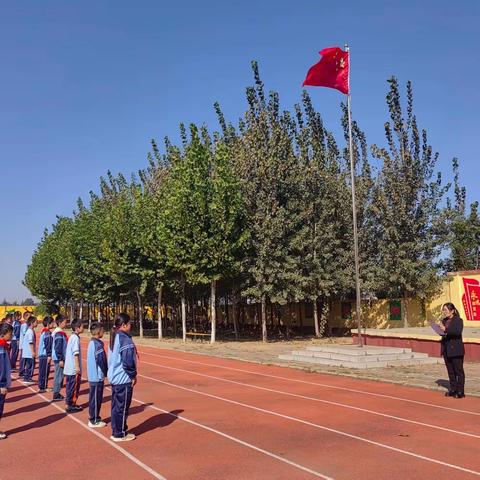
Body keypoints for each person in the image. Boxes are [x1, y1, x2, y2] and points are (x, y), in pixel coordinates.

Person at [107, 313, 137, 442]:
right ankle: (119, 433)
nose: (131, 325)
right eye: (129, 323)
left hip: (115, 377)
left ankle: (117, 430)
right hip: (123, 378)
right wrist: (133, 375)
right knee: (122, 407)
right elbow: (127, 360)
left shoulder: (115, 336)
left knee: (116, 407)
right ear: (124, 325)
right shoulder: (124, 339)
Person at [438, 302, 465, 398]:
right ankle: (453, 389)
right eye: (443, 310)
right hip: (446, 348)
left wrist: (445, 329)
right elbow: (443, 332)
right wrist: (439, 329)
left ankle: (460, 391)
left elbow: (457, 332)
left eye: (446, 310)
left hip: (456, 349)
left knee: (458, 371)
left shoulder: (458, 320)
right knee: (450, 371)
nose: (444, 312)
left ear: (452, 311)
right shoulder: (444, 320)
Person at [87, 322, 108, 428]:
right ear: (99, 331)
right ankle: (94, 419)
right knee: (96, 398)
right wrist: (106, 372)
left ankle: (95, 417)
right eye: (103, 330)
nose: (104, 332)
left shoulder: (92, 343)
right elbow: (101, 360)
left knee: (95, 398)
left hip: (93, 375)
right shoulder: (98, 344)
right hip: (96, 376)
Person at [64, 319, 84, 413]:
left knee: (70, 387)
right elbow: (75, 353)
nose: (83, 328)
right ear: (77, 328)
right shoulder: (75, 338)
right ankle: (70, 404)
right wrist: (77, 367)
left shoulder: (73, 337)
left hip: (69, 368)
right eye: (82, 326)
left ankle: (70, 403)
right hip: (72, 369)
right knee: (73, 387)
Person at [0, 323, 13, 440]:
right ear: (3, 334)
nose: (12, 336)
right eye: (10, 334)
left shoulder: (3, 346)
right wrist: (2, 385)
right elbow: (1, 368)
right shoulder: (1, 348)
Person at [52, 315, 68, 402]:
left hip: (59, 357)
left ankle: (57, 392)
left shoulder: (59, 332)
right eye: (65, 322)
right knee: (59, 375)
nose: (66, 324)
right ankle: (56, 394)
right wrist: (61, 359)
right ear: (59, 323)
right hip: (59, 359)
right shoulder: (59, 333)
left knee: (60, 375)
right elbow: (58, 347)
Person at [38, 316, 55, 393]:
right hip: (45, 355)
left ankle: (42, 385)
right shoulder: (47, 333)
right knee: (44, 372)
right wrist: (49, 355)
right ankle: (43, 387)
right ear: (48, 324)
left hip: (42, 355)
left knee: (42, 371)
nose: (54, 324)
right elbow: (48, 345)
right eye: (52, 323)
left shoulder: (44, 332)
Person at [21, 316, 37, 385]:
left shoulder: (30, 331)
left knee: (29, 365)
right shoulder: (30, 331)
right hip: (29, 352)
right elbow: (31, 342)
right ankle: (27, 378)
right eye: (36, 322)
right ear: (32, 323)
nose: (37, 323)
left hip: (27, 352)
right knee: (30, 365)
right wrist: (33, 351)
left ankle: (27, 378)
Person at [18, 312, 30, 379]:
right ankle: (21, 371)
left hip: (24, 345)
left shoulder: (25, 325)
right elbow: (25, 334)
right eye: (29, 316)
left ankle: (22, 371)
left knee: (24, 359)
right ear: (25, 317)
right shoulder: (25, 325)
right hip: (23, 345)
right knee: (23, 359)